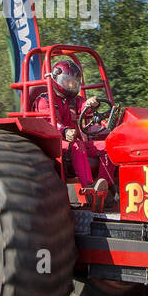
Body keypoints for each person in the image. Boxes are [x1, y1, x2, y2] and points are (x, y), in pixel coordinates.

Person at [32, 57, 116, 206]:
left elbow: (83, 105)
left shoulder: (73, 100)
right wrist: (64, 132)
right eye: (68, 81)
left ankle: (105, 187)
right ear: (57, 79)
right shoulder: (44, 100)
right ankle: (89, 189)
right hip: (53, 143)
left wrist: (91, 103)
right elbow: (48, 124)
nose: (72, 84)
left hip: (74, 141)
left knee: (108, 147)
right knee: (77, 145)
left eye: (75, 81)